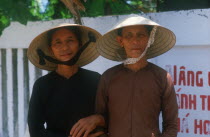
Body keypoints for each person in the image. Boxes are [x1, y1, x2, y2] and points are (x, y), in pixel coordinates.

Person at [70, 15, 178, 137]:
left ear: (149, 39)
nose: (135, 41)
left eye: (141, 35)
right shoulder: (108, 77)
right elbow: (100, 119)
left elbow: (171, 125)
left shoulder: (162, 77)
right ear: (121, 41)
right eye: (129, 36)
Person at [27, 23, 104, 137]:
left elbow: (111, 114)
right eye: (58, 42)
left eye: (70, 40)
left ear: (80, 44)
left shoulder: (95, 79)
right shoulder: (42, 85)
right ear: (51, 49)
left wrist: (98, 119)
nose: (65, 47)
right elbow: (35, 129)